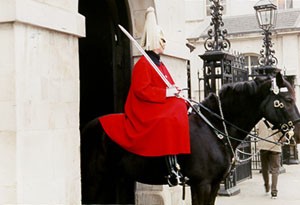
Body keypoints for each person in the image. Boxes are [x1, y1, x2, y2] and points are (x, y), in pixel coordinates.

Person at [99, 7, 190, 186]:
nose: (165, 44)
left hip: (157, 103)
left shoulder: (159, 64)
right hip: (144, 107)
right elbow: (142, 90)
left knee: (182, 105)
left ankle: (178, 158)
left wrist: (175, 91)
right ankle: (171, 165)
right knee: (172, 114)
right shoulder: (143, 64)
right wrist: (166, 93)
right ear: (154, 41)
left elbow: (168, 84)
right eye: (162, 40)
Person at [257, 118, 283, 199]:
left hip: (263, 146)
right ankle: (274, 191)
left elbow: (258, 132)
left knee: (265, 168)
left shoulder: (260, 121)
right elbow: (282, 135)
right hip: (275, 146)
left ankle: (266, 186)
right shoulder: (278, 121)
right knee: (275, 169)